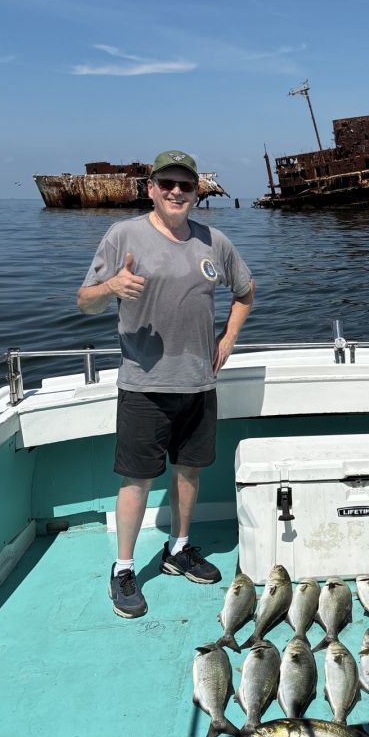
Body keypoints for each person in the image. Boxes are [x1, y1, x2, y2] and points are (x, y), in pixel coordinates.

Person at [77, 150, 254, 619]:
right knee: (137, 479)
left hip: (199, 383)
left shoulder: (214, 241)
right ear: (151, 189)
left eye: (186, 185)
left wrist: (228, 338)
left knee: (189, 471)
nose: (177, 192)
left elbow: (245, 292)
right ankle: (123, 568)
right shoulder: (124, 235)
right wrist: (110, 288)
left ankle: (178, 548)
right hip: (144, 385)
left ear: (197, 192)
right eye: (168, 184)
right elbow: (84, 302)